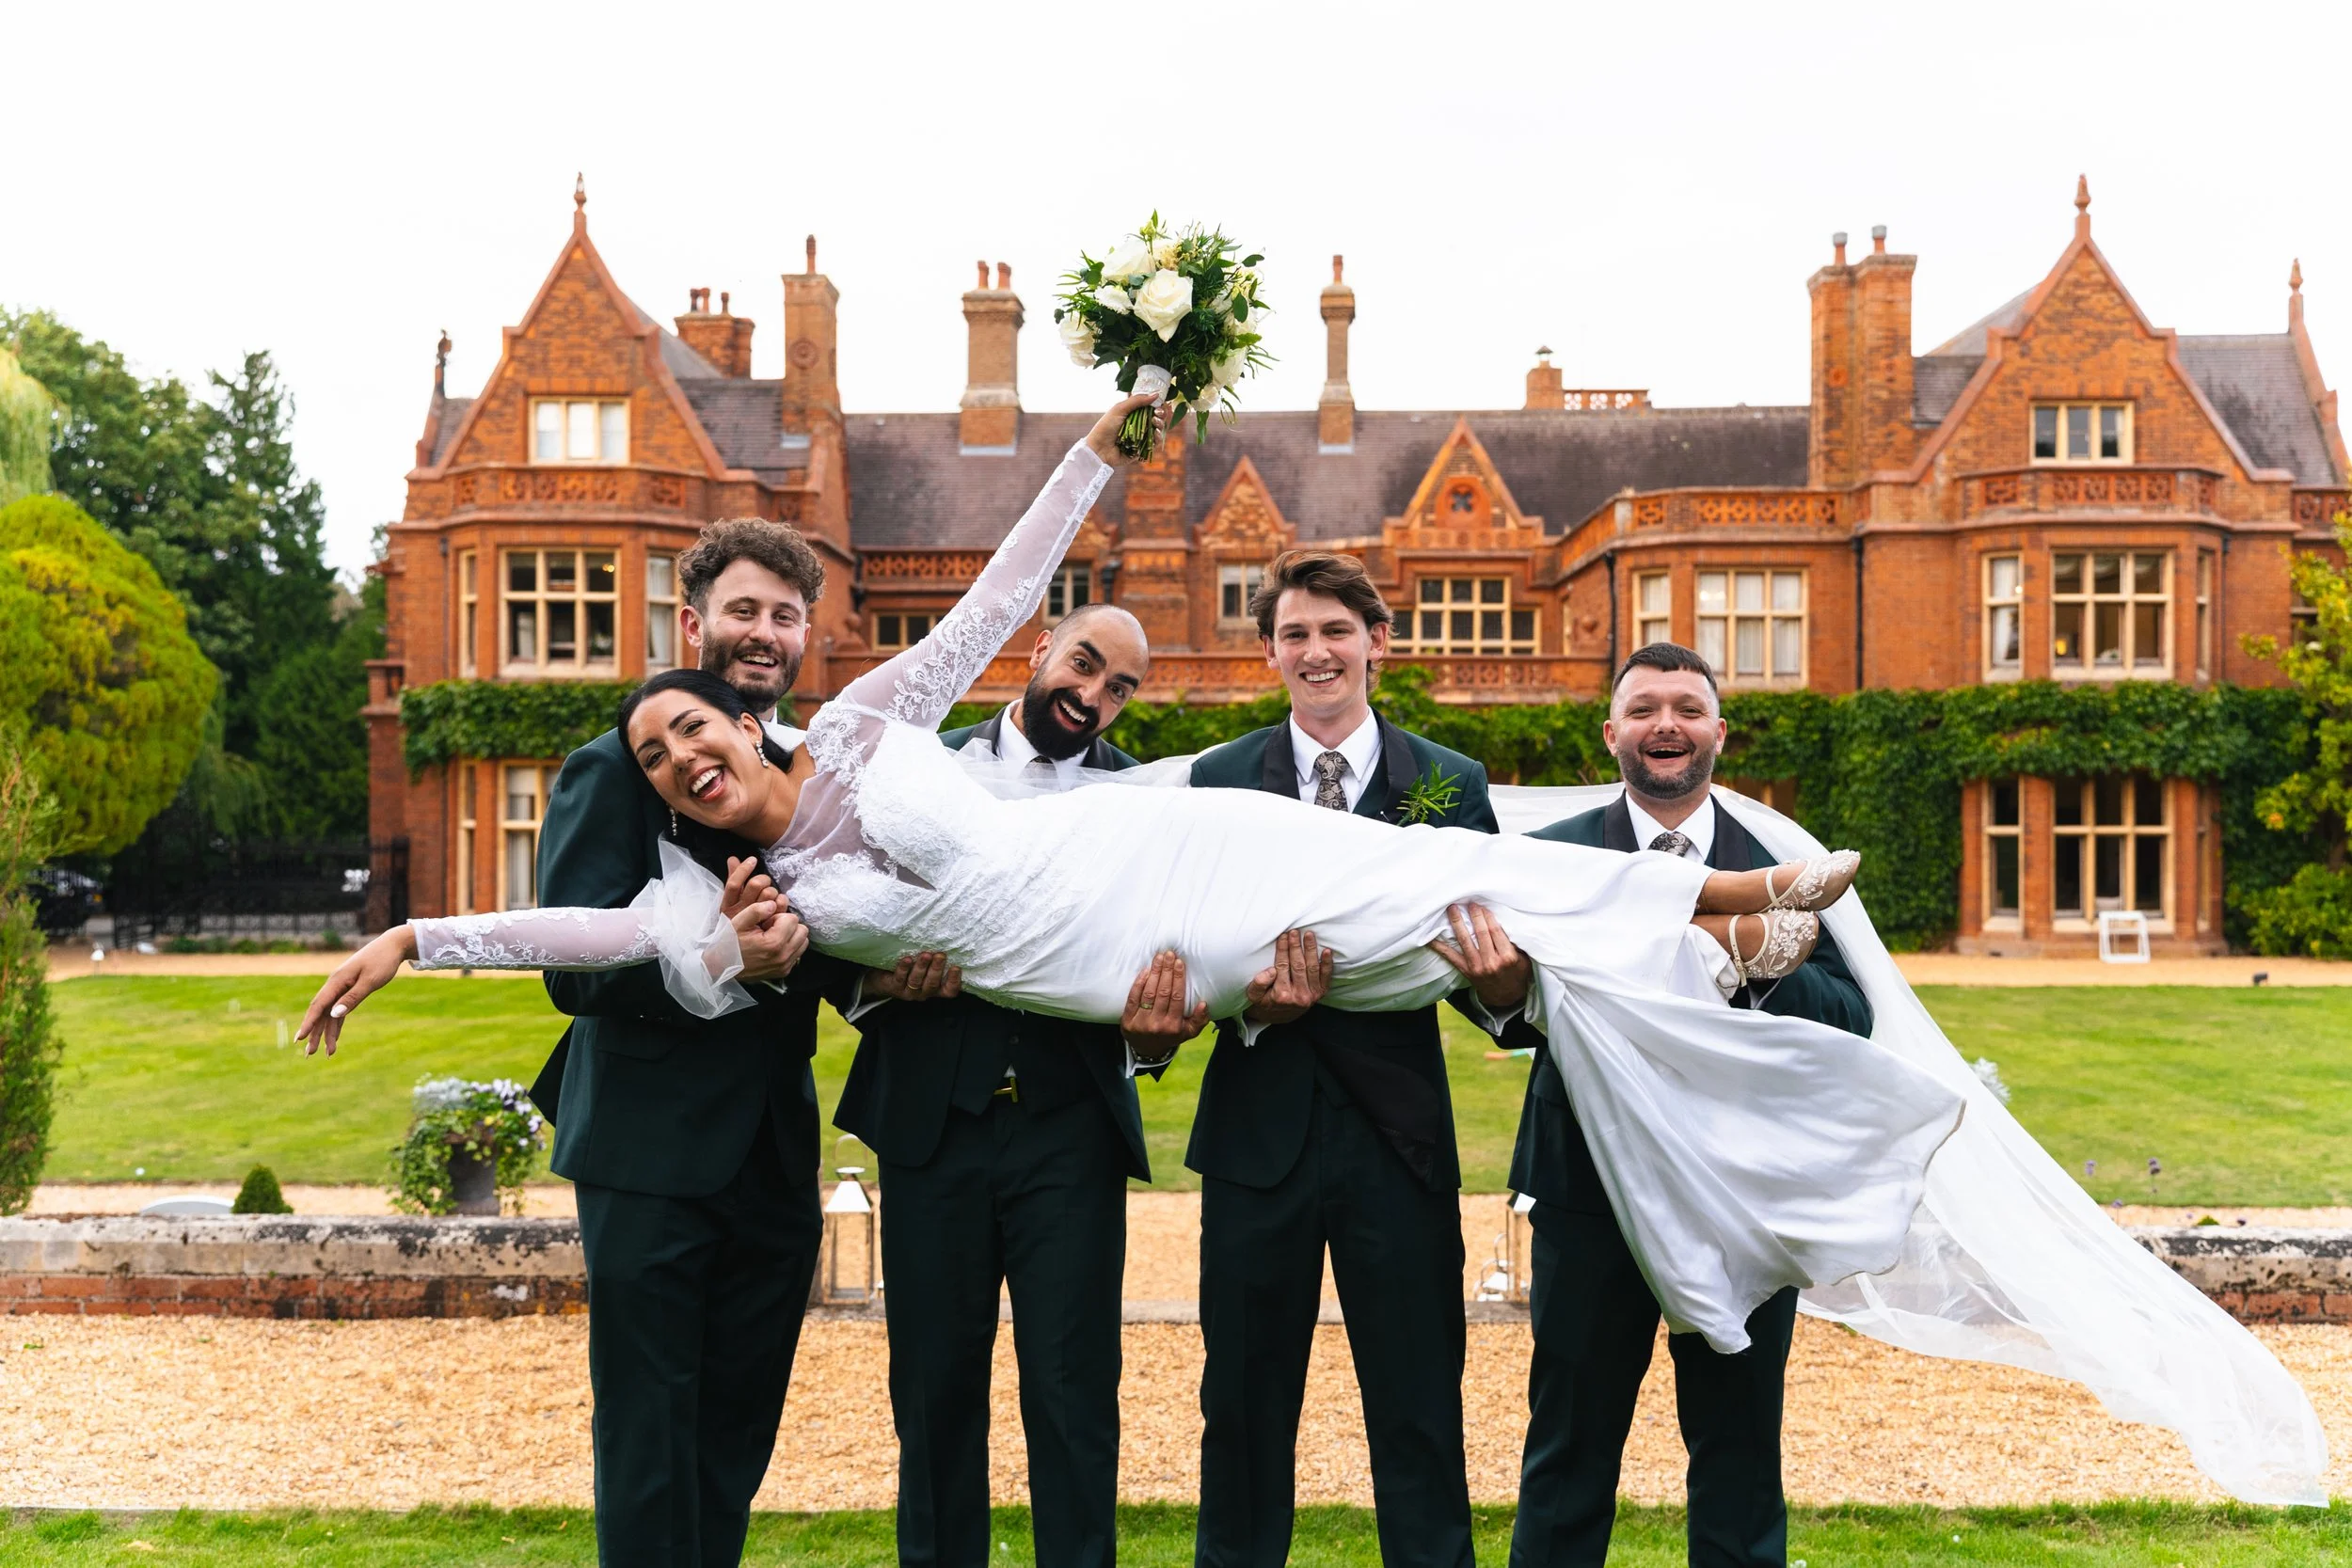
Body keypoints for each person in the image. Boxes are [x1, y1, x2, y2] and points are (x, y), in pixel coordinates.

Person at [301, 390, 1935, 1371]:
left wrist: (1095, 449)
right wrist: (411, 935)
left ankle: (1725, 912)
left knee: (1411, 881)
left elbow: (1010, 585)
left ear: (747, 714)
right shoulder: (719, 898)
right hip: (1086, 964)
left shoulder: (874, 716)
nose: (682, 762)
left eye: (689, 735)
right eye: (662, 767)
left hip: (1142, 853)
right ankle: (1708, 928)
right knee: (1382, 934)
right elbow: (564, 925)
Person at [834, 601, 1204, 1568]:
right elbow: (831, 907)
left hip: (1071, 1128)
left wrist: (1156, 1034)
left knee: (1075, 1391)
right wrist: (877, 983)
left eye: (1118, 686)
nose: (1091, 695)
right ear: (1039, 650)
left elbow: (1170, 960)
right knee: (933, 1390)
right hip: (929, 1123)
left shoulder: (1148, 805)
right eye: (1083, 664)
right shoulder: (916, 768)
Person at [519, 514, 856, 1568]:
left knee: (734, 1432)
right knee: (649, 1431)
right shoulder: (608, 769)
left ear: (807, 632)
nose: (763, 632)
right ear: (691, 619)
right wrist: (719, 960)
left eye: (785, 615)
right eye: (743, 610)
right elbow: (570, 967)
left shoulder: (815, 777)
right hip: (644, 1147)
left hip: (769, 1146)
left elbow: (840, 943)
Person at [1503, 642, 1872, 1568]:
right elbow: (1500, 1010)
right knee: (1567, 1448)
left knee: (1739, 1449)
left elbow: (1851, 1016)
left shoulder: (1789, 860)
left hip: (1739, 1194)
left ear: (1717, 730)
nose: (1664, 724)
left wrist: (1765, 966)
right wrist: (1504, 986)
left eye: (1684, 707)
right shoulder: (1551, 856)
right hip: (1587, 1186)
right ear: (1612, 732)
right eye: (1643, 709)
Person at [1182, 549, 1516, 1568]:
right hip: (1255, 1138)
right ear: (1271, 653)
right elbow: (1187, 942)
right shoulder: (1218, 780)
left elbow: (1487, 972)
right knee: (1240, 1410)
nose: (1315, 651)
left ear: (1377, 641)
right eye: (1294, 633)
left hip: (1399, 1140)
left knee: (1418, 1405)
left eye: (1335, 630)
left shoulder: (1450, 783)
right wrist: (1240, 1001)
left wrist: (1503, 986)